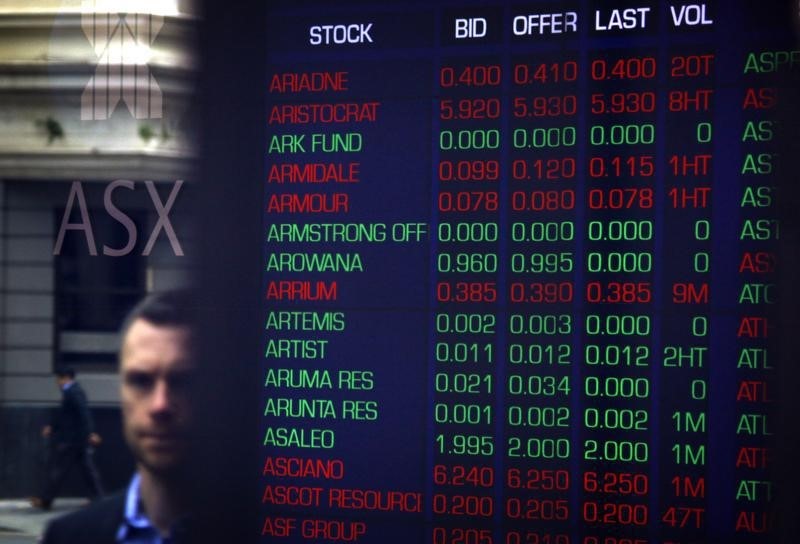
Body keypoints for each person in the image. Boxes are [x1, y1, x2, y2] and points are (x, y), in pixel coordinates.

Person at [42, 291, 197, 544]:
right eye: (140, 381)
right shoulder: (65, 537)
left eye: (182, 382)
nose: (160, 405)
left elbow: (80, 413)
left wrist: (85, 432)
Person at [34, 366, 104, 510]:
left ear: (65, 377)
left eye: (58, 379)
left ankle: (46, 500)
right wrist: (53, 427)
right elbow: (66, 415)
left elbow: (83, 414)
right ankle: (98, 498)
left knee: (59, 470)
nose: (57, 382)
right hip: (78, 440)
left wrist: (90, 433)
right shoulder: (72, 392)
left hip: (72, 440)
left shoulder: (73, 393)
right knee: (87, 470)